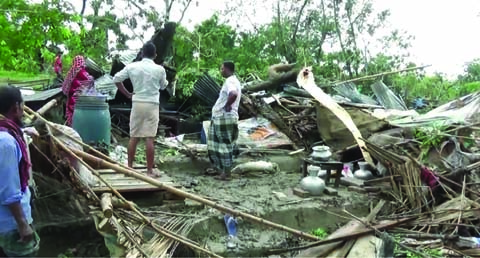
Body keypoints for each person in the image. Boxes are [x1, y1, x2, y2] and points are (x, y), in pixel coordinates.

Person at [113, 42, 168, 177]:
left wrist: (127, 94)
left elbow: (116, 79)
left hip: (137, 103)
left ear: (142, 53)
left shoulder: (132, 66)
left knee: (134, 136)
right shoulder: (160, 69)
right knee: (150, 137)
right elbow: (163, 86)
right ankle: (149, 171)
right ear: (155, 55)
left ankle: (129, 169)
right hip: (152, 104)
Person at [0, 86, 40, 257]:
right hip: (9, 224)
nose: (24, 110)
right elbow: (9, 189)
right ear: (15, 107)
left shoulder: (7, 133)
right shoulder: (7, 143)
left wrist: (23, 131)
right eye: (23, 105)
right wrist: (22, 224)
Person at [207, 61, 241, 180]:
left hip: (224, 117)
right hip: (222, 117)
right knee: (215, 144)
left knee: (224, 145)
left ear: (227, 69)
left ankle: (226, 173)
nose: (221, 71)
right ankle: (220, 169)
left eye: (222, 69)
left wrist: (227, 105)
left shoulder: (230, 81)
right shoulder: (234, 81)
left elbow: (233, 94)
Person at [61, 55, 94, 126]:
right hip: (84, 103)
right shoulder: (87, 75)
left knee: (74, 118)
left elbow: (64, 88)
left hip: (73, 102)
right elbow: (91, 90)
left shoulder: (71, 72)